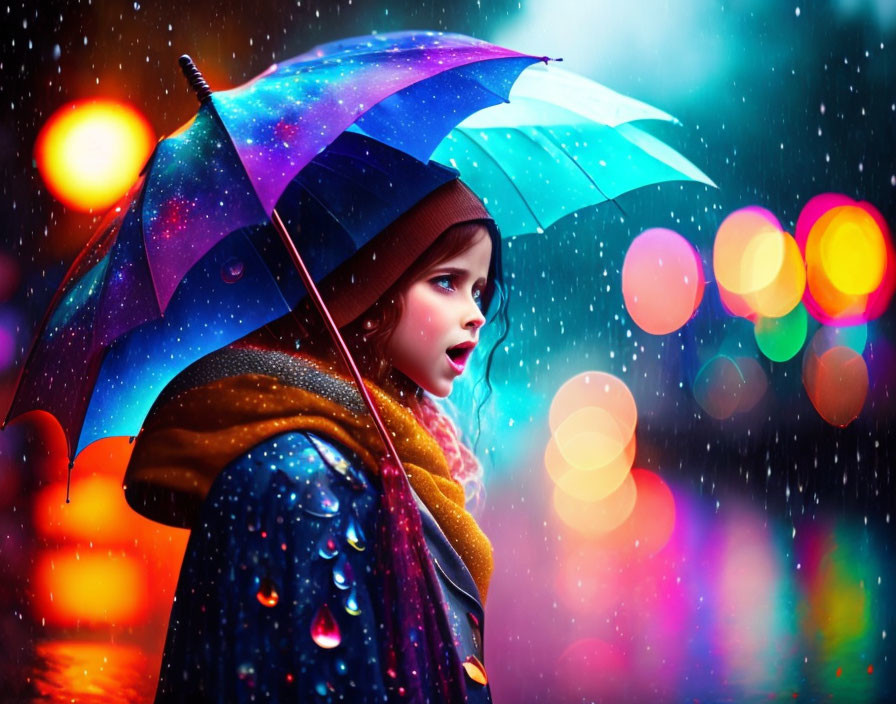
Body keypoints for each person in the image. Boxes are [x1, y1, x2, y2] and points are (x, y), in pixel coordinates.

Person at [122, 177, 504, 703]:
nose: (476, 313)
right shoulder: (304, 476)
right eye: (446, 281)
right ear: (373, 284)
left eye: (479, 290)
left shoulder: (386, 452)